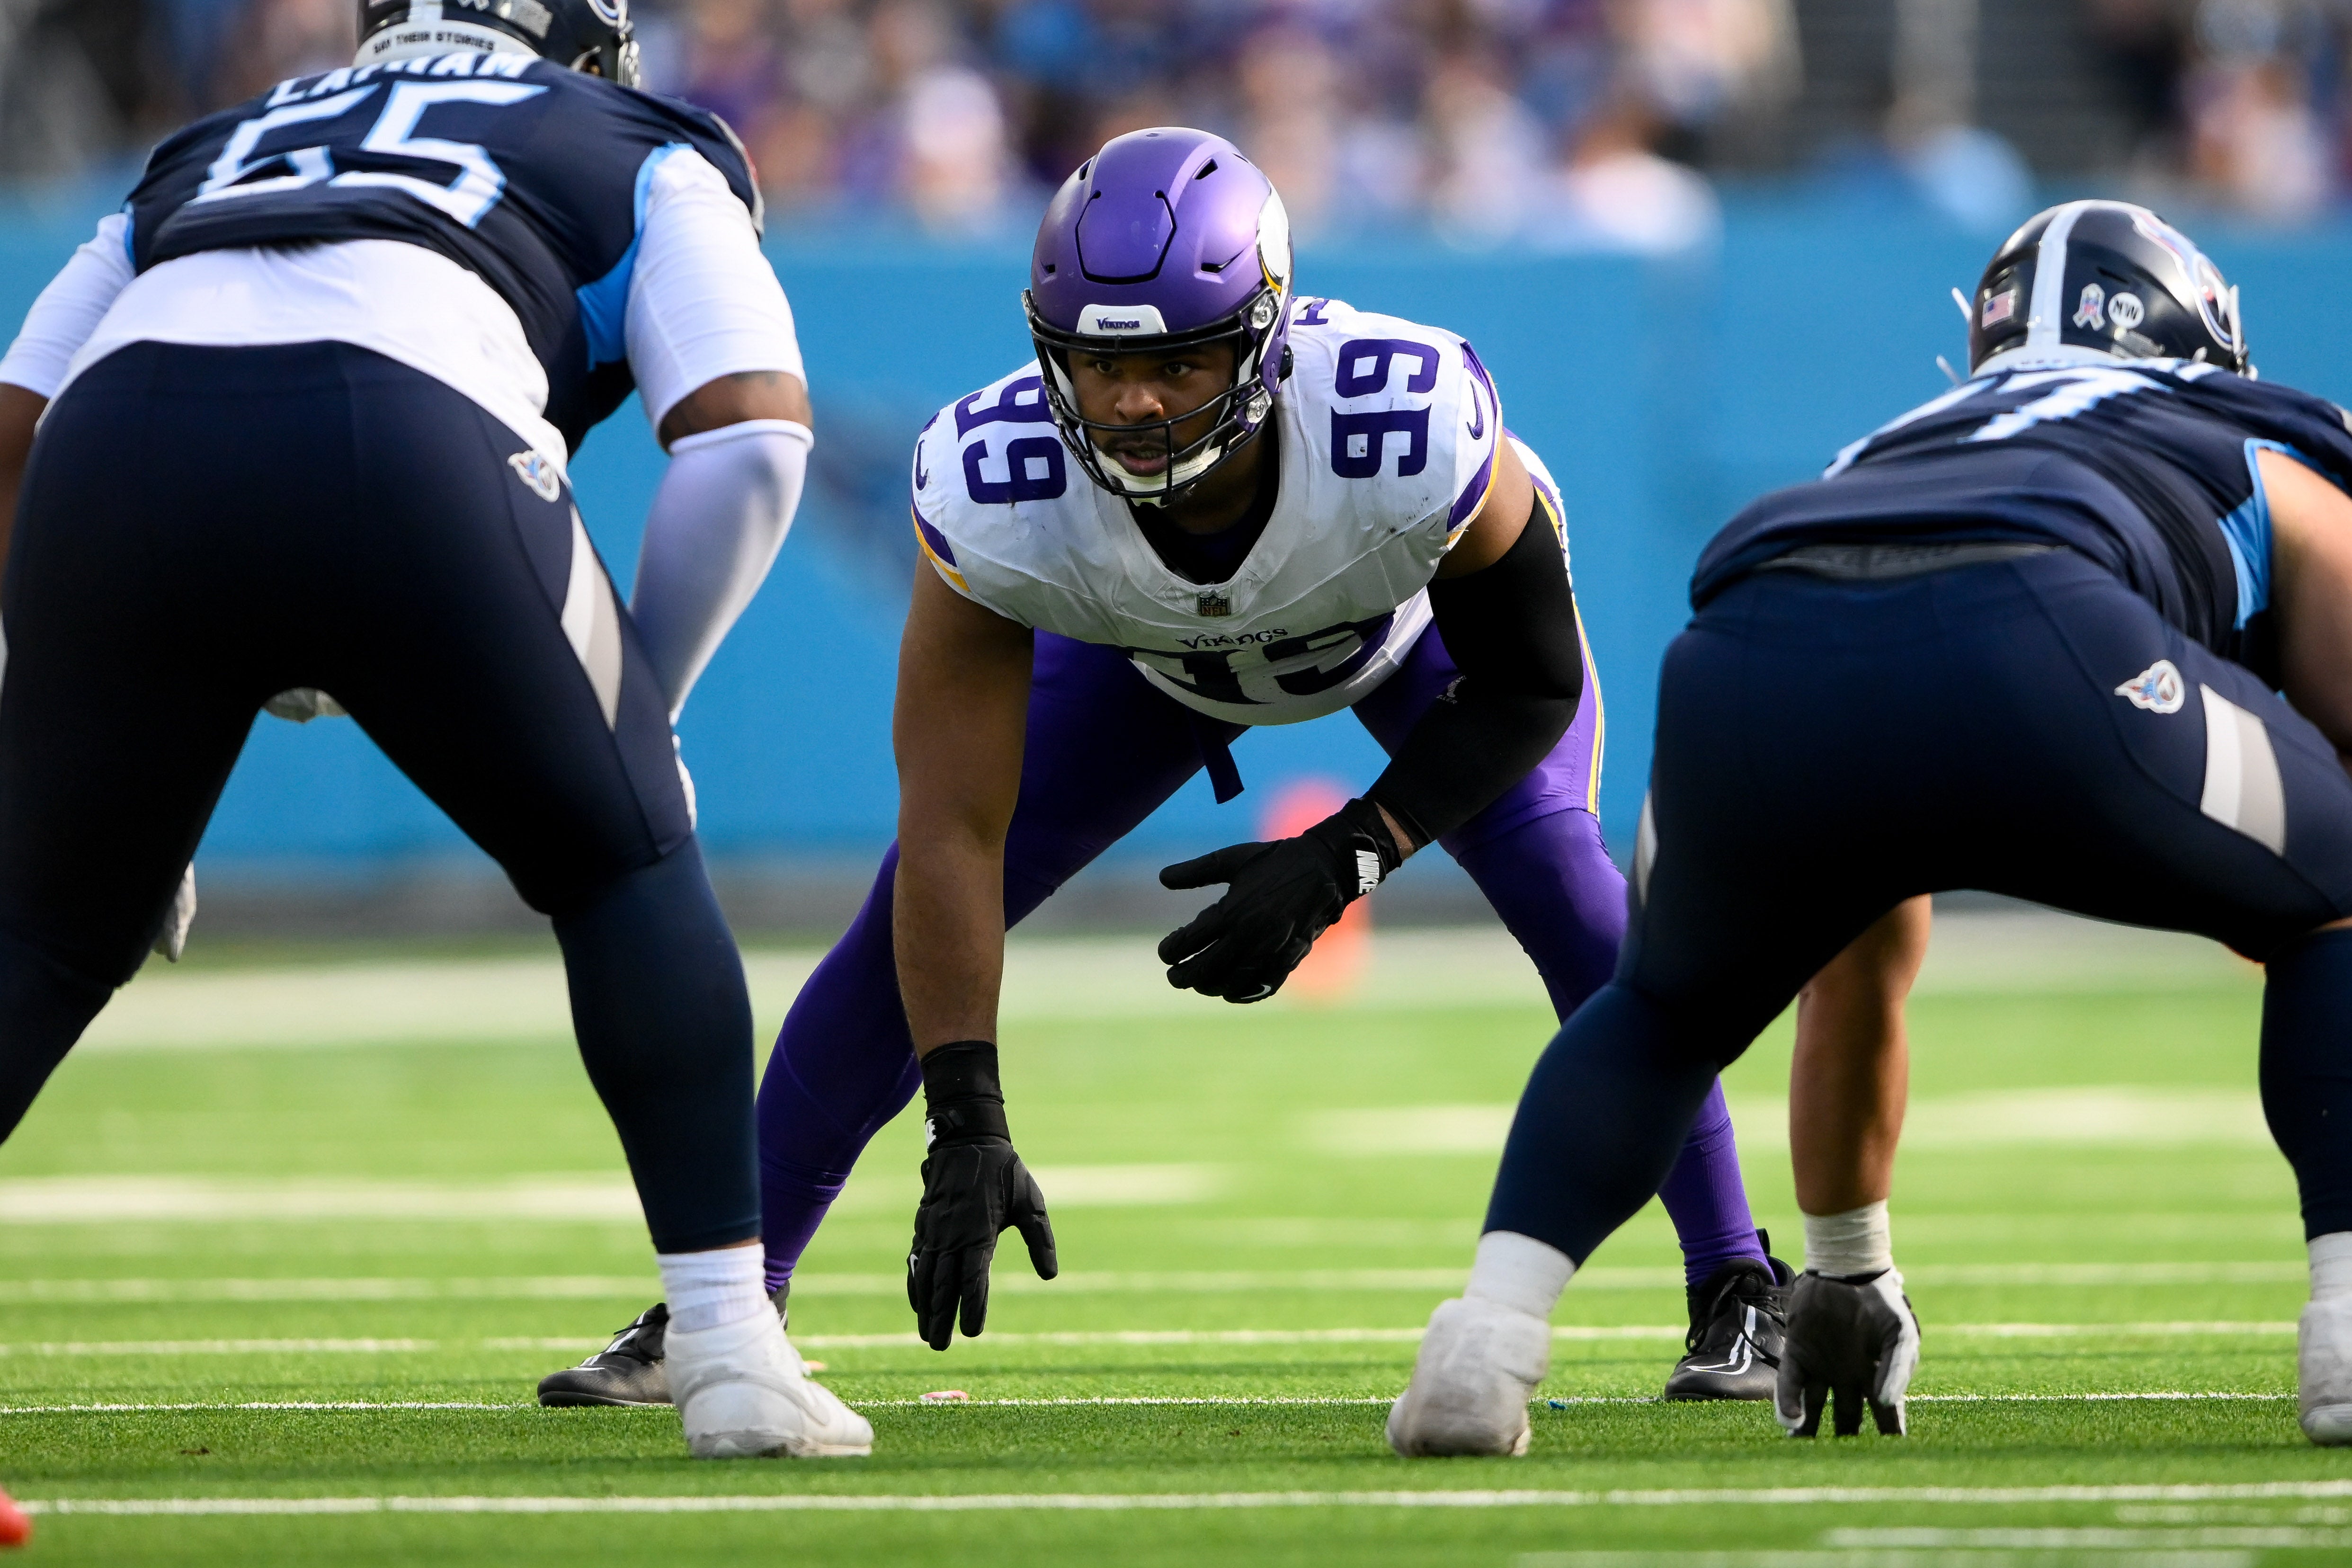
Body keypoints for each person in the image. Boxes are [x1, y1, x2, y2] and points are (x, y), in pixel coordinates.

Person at [537, 125, 1802, 1409]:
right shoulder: (997, 485)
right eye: (1100, 364)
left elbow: (1529, 685)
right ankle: (719, 1308)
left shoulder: (1404, 422)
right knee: (894, 927)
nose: (1136, 401)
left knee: (1579, 903)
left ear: (1265, 333)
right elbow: (955, 832)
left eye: (1180, 358)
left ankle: (1739, 1283)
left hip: (1418, 645)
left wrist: (1350, 852)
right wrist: (965, 1115)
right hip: (1156, 663)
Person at [0, 0, 866, 1461]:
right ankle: (726, 1346)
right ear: (584, 49)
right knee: (624, 858)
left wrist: (71, 743)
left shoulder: (218, 145)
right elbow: (750, 428)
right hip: (406, 424)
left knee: (33, 935)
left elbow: (20, 429)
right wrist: (638, 714)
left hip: (117, 447)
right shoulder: (633, 142)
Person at [1387, 198, 2352, 1456]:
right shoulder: (2258, 429)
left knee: (1665, 1008)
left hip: (1750, 648)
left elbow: (1865, 945)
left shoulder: (1905, 438)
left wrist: (1848, 1266)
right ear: (2205, 336)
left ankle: (1484, 1345)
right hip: (2048, 628)